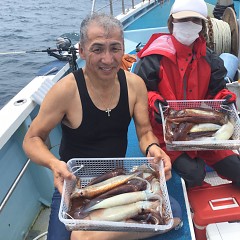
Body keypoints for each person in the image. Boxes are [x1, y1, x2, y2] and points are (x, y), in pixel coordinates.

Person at [23, 13, 182, 240]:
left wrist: (152, 149)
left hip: (117, 179)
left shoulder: (135, 85)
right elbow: (32, 139)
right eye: (97, 49)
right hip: (73, 183)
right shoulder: (65, 91)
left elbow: (145, 132)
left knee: (172, 213)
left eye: (115, 48)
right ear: (82, 51)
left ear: (123, 48)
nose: (108, 59)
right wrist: (53, 164)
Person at [134, 0, 240, 189]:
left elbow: (215, 93)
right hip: (168, 135)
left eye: (194, 20)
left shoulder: (210, 60)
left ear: (202, 26)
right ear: (171, 23)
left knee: (237, 169)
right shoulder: (152, 58)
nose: (189, 25)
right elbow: (142, 93)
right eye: (183, 20)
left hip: (205, 134)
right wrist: (155, 103)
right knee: (194, 174)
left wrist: (224, 98)